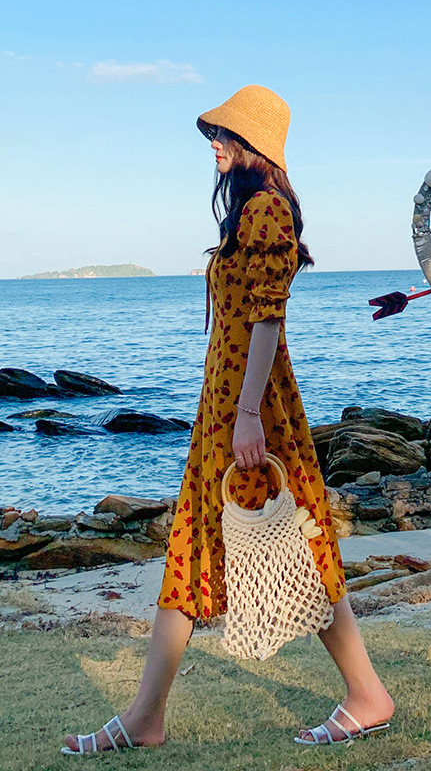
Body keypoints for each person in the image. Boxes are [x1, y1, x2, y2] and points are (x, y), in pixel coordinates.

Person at [62, 85, 394, 754]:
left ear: (256, 145)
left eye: (227, 134)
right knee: (196, 547)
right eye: (214, 132)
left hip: (253, 406)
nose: (215, 143)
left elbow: (269, 314)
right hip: (227, 405)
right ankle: (146, 717)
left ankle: (366, 694)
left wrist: (247, 416)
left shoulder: (266, 209)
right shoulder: (250, 212)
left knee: (297, 542)